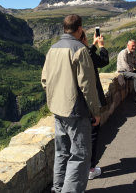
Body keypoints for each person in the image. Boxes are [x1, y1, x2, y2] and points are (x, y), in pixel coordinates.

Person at [41, 15, 101, 193]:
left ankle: (58, 188)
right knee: (80, 154)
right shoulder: (80, 49)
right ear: (80, 29)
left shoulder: (52, 49)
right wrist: (95, 111)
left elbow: (44, 80)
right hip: (76, 110)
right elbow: (87, 86)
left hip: (57, 108)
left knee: (62, 152)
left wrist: (55, 96)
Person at [79, 30, 109, 180]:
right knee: (92, 134)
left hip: (73, 103)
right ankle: (90, 169)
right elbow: (103, 62)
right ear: (82, 38)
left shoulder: (69, 50)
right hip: (88, 102)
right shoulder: (86, 53)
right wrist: (101, 46)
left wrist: (92, 44)